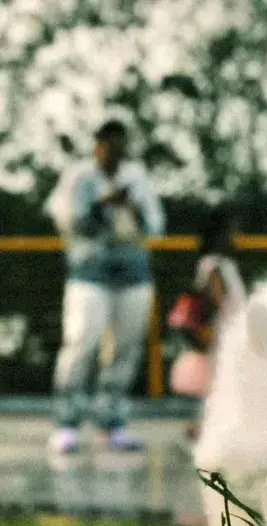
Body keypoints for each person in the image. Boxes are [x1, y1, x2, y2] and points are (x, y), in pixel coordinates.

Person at [44, 119, 165, 453]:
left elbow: (155, 226)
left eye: (122, 147)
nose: (117, 153)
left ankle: (112, 421)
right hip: (90, 272)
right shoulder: (79, 177)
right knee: (82, 341)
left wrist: (132, 207)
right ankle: (67, 422)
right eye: (111, 146)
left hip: (132, 272)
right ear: (98, 146)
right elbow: (66, 220)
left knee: (126, 347)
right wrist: (102, 205)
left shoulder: (136, 176)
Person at [168, 203, 246, 440]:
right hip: (224, 329)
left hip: (230, 327)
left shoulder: (224, 263)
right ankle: (207, 426)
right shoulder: (213, 263)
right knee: (222, 379)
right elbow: (216, 297)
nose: (235, 236)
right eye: (231, 231)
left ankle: (213, 424)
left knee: (225, 379)